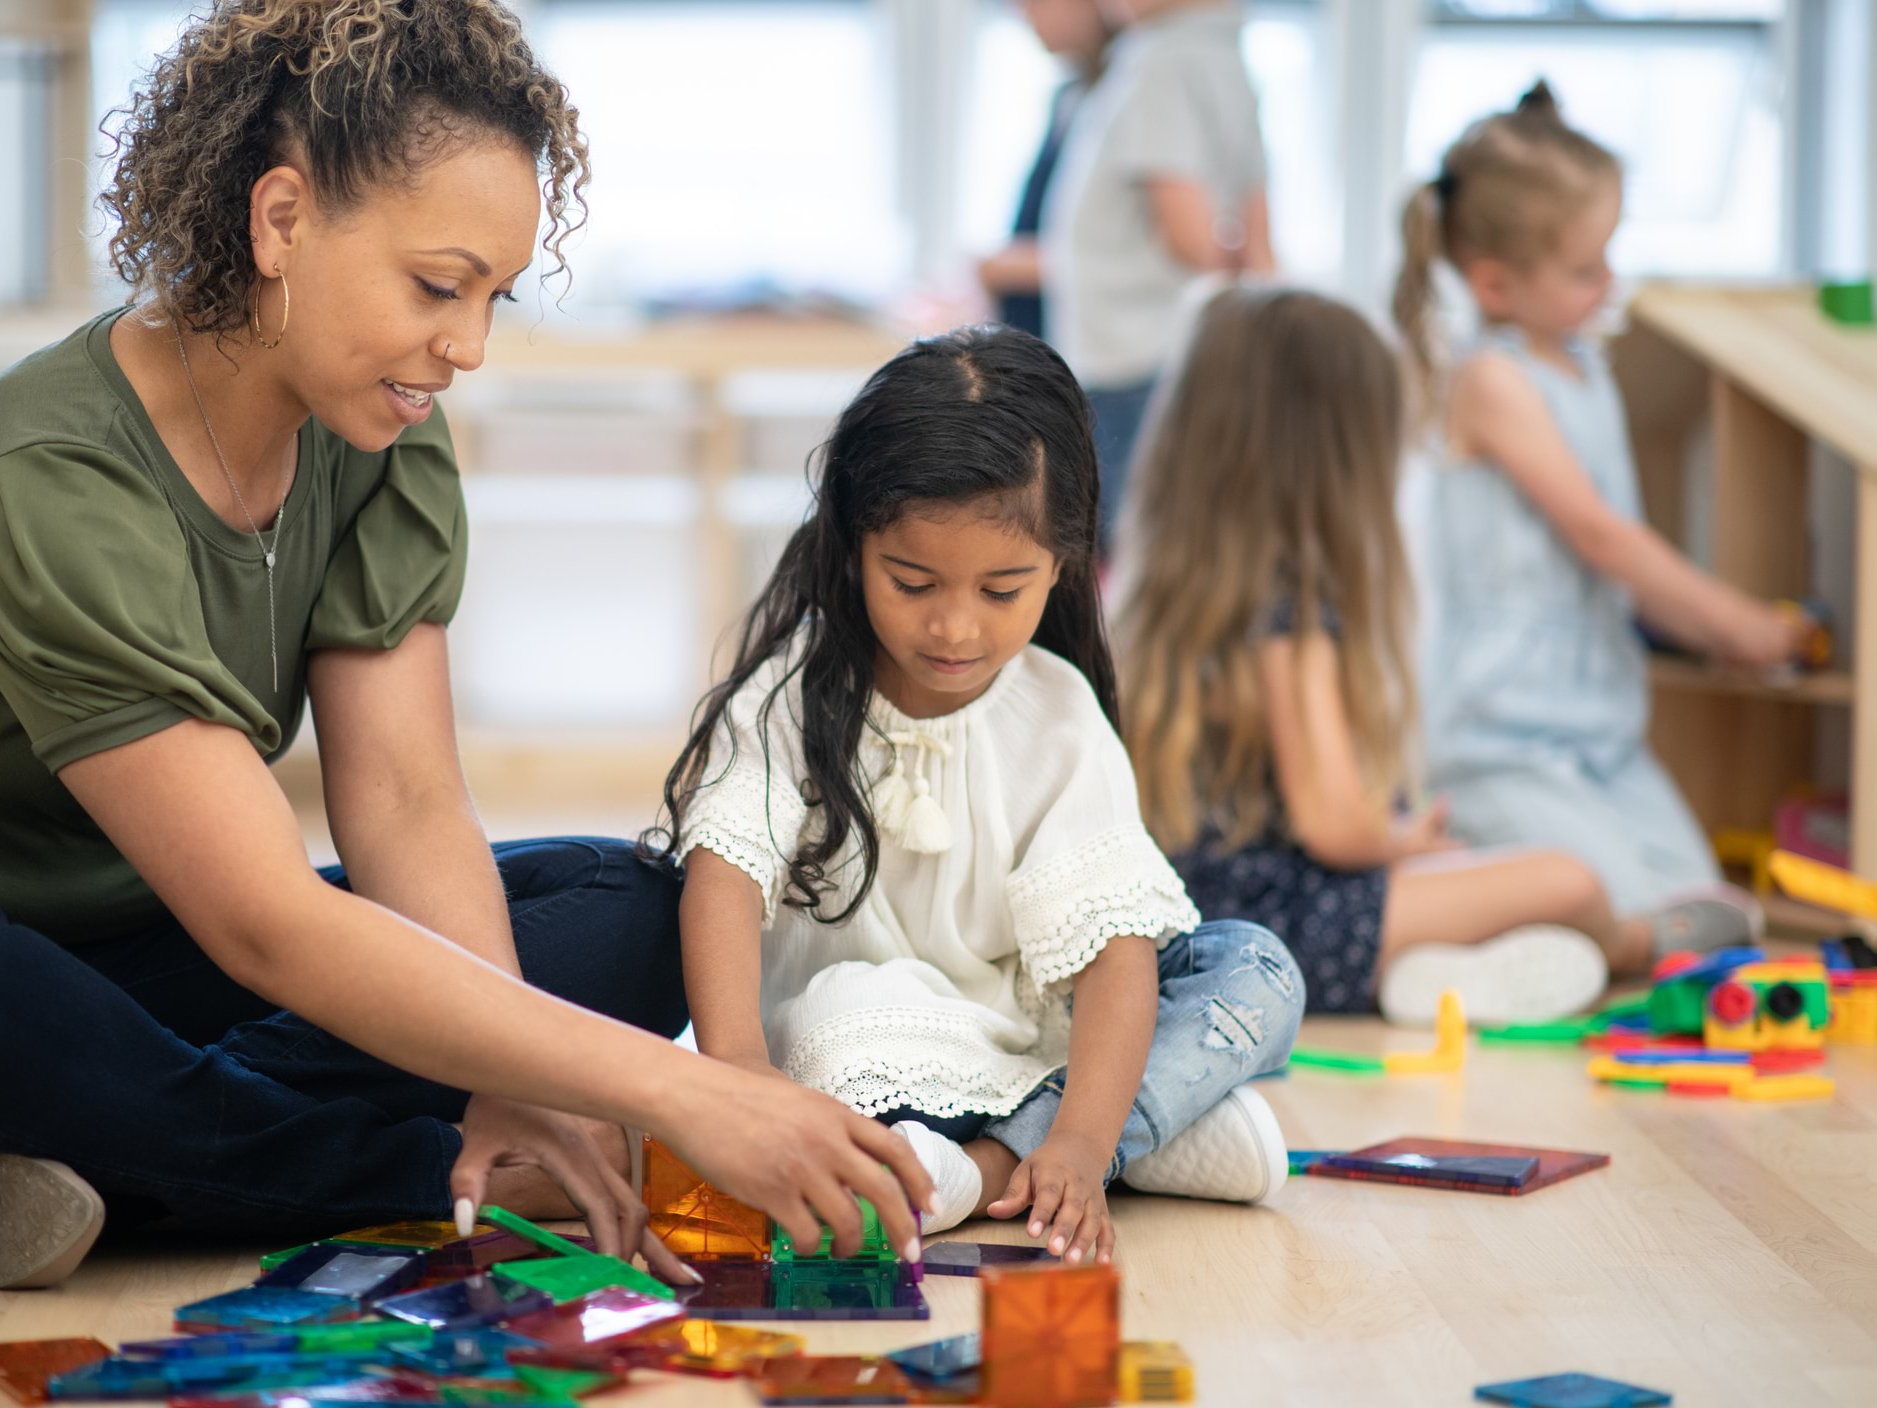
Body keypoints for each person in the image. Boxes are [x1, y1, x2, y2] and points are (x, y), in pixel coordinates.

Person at [0, 0, 927, 1293]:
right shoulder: (45, 483)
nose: (468, 348)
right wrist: (691, 1092)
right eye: (437, 287)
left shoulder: (375, 428)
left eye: (493, 297)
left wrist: (509, 1068)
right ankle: (406, 1175)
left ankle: (76, 1156)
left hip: (133, 968)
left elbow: (410, 804)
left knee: (627, 906)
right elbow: (265, 924)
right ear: (281, 221)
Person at [652, 323, 1305, 1267]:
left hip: (1029, 1048)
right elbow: (721, 880)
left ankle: (1014, 1161)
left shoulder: (1059, 710)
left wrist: (1081, 1135)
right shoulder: (791, 695)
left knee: (1257, 971)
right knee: (844, 1022)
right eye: (912, 582)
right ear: (853, 547)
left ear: (1066, 564)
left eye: (1003, 589)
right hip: (854, 1046)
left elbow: (1118, 958)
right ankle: (1138, 1137)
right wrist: (740, 1078)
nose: (955, 626)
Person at [1116, 287, 1757, 1023]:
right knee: (1567, 881)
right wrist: (1400, 839)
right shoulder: (1290, 609)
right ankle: (1637, 942)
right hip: (1283, 935)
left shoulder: (1172, 594)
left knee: (1474, 871)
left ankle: (1440, 973)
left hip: (1212, 925)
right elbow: (1335, 822)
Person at [1396, 82, 1801, 919]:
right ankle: (1459, 936)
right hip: (1502, 742)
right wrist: (1737, 626)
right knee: (1617, 915)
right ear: (1496, 284)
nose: (1609, 282)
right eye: (1586, 269)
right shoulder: (1490, 379)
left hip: (1603, 738)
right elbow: (1600, 535)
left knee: (1712, 915)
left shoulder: (1592, 369)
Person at [1042, 0, 1272, 547]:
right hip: (1171, 355)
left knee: (1123, 555)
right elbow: (1261, 240)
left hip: (1133, 362)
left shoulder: (1162, 62)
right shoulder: (1226, 55)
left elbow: (1191, 235)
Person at [975, 0, 1114, 340]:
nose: (1022, 11)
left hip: (1099, 348)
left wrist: (1017, 266)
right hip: (1042, 335)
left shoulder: (1129, 98)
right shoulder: (1070, 97)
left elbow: (1126, 251)